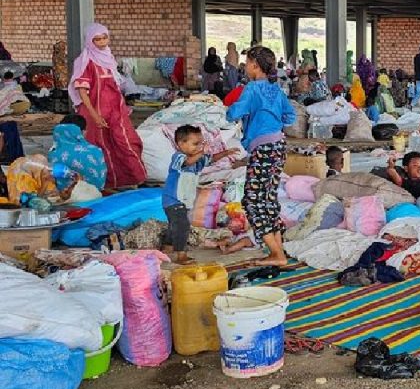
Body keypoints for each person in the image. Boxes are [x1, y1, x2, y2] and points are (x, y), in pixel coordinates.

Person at [226, 46, 296, 267]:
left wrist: (231, 110)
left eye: (247, 63)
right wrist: (272, 122)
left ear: (255, 65)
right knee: (268, 198)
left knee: (253, 200)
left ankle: (277, 254)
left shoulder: (251, 89)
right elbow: (290, 116)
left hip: (262, 148)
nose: (245, 67)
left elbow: (234, 114)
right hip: (278, 145)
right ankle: (276, 249)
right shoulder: (277, 90)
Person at [69, 23, 146, 189]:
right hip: (94, 111)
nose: (102, 42)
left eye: (105, 38)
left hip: (115, 111)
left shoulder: (109, 58)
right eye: (97, 39)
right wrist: (95, 116)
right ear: (90, 41)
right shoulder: (84, 62)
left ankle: (131, 179)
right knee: (99, 148)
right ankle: (104, 184)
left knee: (126, 141)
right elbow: (82, 92)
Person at [163, 125, 238, 265]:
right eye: (195, 144)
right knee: (183, 226)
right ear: (180, 144)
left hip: (183, 201)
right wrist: (201, 152)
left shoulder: (197, 161)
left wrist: (226, 152)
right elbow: (187, 162)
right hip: (173, 200)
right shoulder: (178, 157)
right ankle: (181, 255)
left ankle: (167, 247)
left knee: (175, 225)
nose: (199, 147)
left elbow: (211, 159)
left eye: (201, 143)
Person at [48, 114, 106, 192]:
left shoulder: (54, 153)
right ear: (82, 132)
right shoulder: (96, 151)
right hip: (95, 196)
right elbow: (100, 180)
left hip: (65, 198)